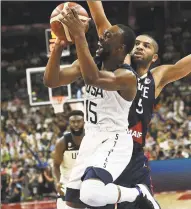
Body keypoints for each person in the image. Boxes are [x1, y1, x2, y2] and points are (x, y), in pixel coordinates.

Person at [44, 4, 161, 209]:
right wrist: (58, 47)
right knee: (72, 201)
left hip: (114, 139)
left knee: (91, 194)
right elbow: (51, 81)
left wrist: (80, 36)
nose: (101, 37)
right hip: (91, 138)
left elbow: (93, 78)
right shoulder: (89, 64)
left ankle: (136, 193)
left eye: (108, 37)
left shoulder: (126, 76)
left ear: (120, 49)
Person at [86, 1, 191, 209]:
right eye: (137, 44)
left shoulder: (157, 77)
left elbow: (184, 66)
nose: (140, 47)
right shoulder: (121, 66)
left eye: (146, 45)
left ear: (155, 57)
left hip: (133, 156)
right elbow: (102, 24)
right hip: (105, 148)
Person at [53, 110, 85, 209]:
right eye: (73, 122)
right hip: (67, 185)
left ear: (84, 122)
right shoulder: (62, 142)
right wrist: (57, 182)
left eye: (79, 121)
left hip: (85, 184)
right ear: (69, 123)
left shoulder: (90, 139)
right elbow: (55, 165)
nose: (76, 124)